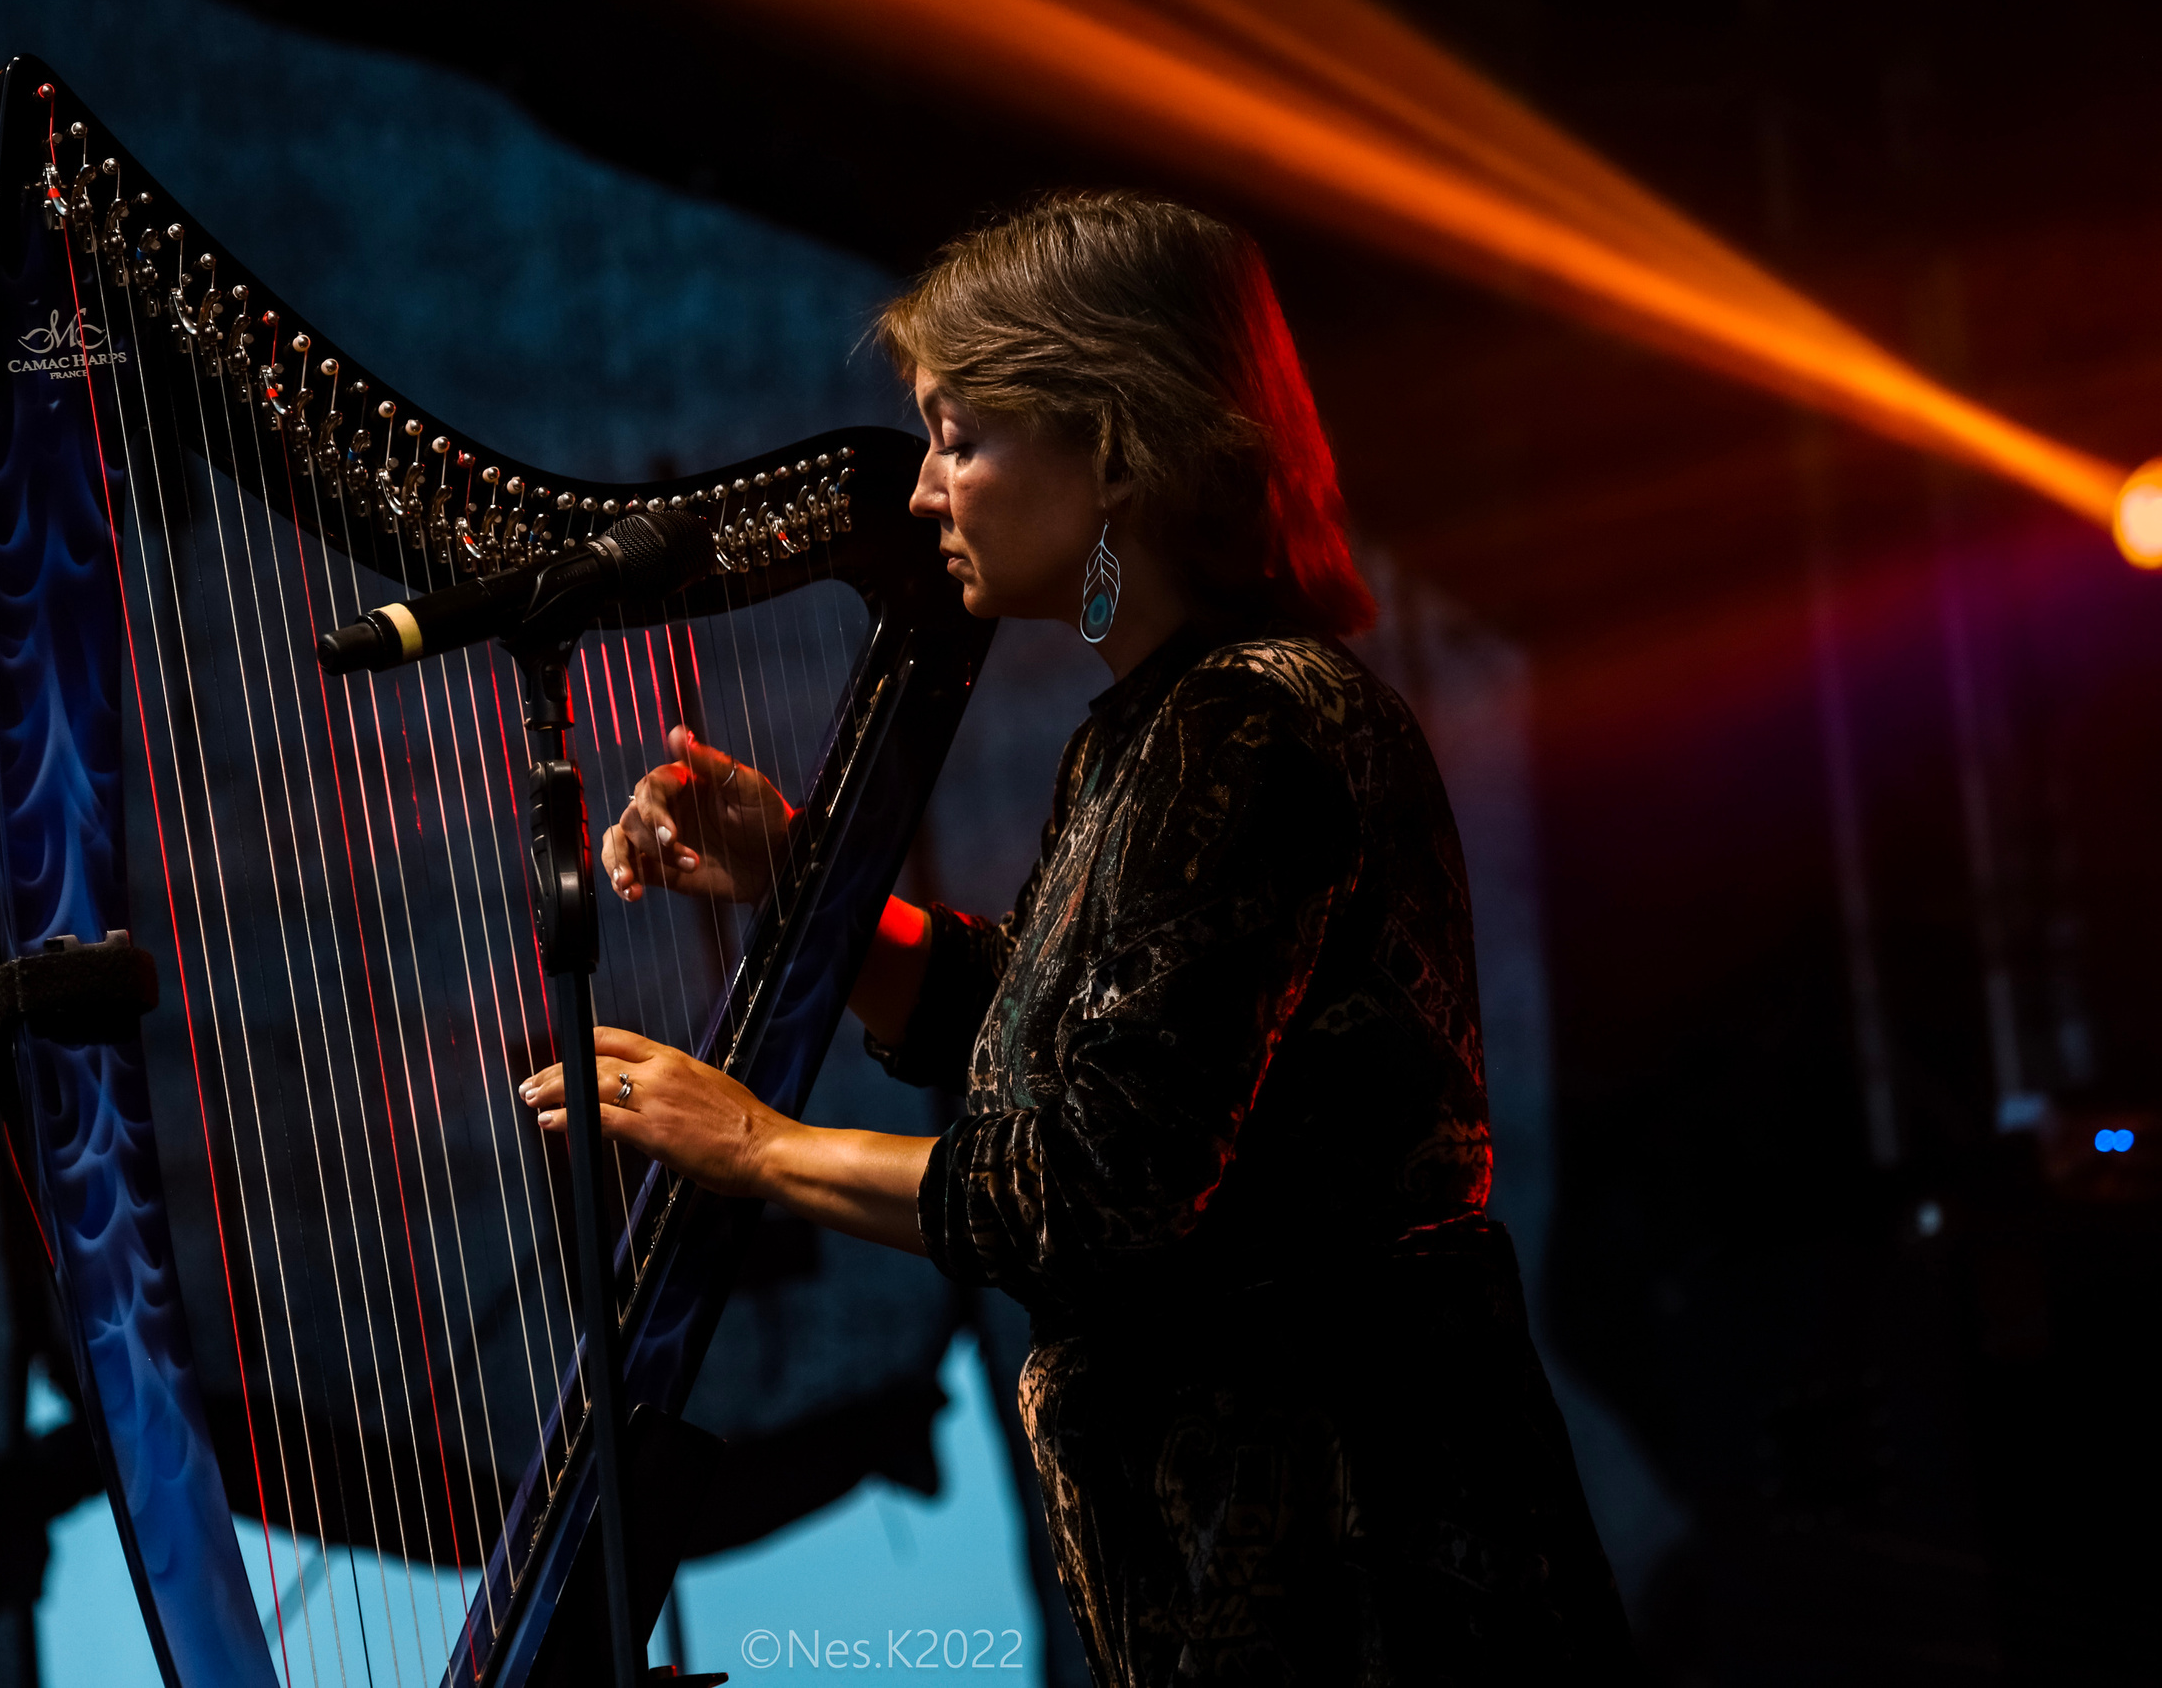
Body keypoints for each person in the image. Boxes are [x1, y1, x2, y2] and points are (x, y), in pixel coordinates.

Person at [518, 191, 1632, 1685]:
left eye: (960, 437)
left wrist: (753, 1144)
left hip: (1360, 1588)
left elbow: (1093, 1190)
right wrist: (807, 882)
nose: (924, 494)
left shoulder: (1246, 728)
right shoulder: (1164, 730)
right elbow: (1073, 1042)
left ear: (1111, 446)